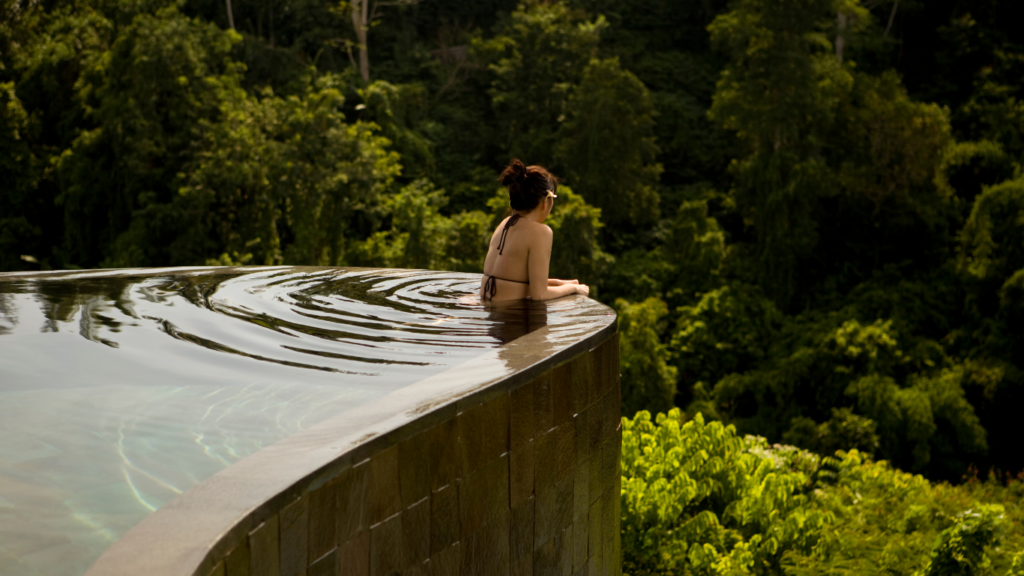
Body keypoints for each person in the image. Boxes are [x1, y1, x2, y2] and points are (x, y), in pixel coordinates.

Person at [480, 159, 591, 302]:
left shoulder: (505, 223)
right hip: (508, 314)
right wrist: (574, 288)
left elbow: (513, 279)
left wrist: (559, 283)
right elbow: (539, 295)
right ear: (545, 202)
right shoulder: (541, 232)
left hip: (487, 306)